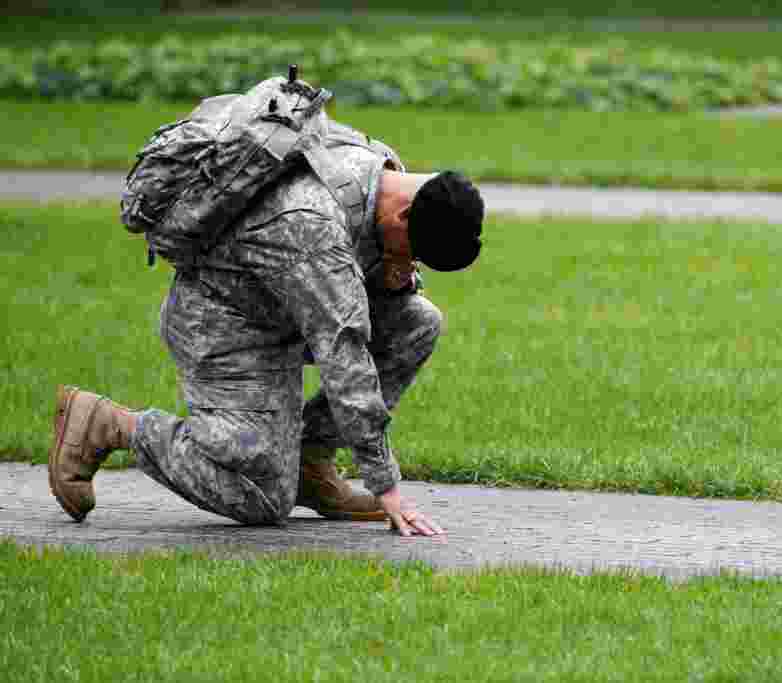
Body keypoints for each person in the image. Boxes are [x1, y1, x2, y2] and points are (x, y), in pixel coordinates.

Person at [48, 122, 484, 537]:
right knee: (261, 497)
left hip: (283, 310)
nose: (412, 262)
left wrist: (395, 271)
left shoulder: (388, 173)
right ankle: (112, 424)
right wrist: (385, 485)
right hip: (225, 324)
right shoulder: (313, 222)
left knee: (417, 322)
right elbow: (343, 351)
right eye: (413, 251)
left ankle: (309, 462)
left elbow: (355, 292)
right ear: (406, 213)